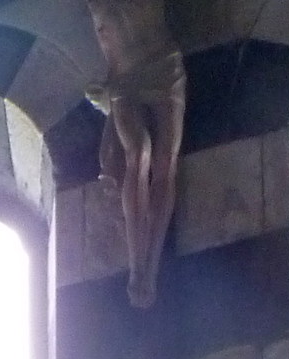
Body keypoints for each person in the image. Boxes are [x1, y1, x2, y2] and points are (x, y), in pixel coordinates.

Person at [86, 0, 186, 307]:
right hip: (123, 77)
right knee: (139, 152)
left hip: (164, 67)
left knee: (165, 163)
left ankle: (150, 267)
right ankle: (136, 266)